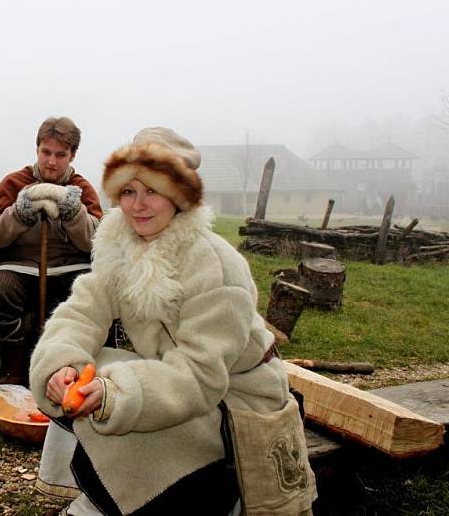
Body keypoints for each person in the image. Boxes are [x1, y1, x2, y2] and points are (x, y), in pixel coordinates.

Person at [29, 128, 316, 515]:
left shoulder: (213, 264)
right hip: (182, 378)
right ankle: (102, 497)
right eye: (128, 192)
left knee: (116, 394)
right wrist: (62, 364)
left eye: (153, 191)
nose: (138, 206)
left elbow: (201, 374)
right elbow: (82, 311)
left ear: (180, 195)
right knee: (93, 376)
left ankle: (129, 503)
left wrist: (117, 395)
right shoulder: (122, 245)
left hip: (238, 401)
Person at [0, 116, 103, 391]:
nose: (51, 162)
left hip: (70, 269)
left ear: (72, 155)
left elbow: (98, 243)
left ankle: (71, 364)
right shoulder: (13, 184)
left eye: (60, 155)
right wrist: (18, 215)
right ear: (37, 149)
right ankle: (15, 367)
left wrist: (73, 213)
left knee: (94, 291)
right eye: (46, 152)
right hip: (19, 268)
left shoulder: (82, 189)